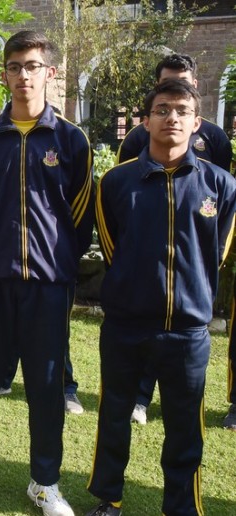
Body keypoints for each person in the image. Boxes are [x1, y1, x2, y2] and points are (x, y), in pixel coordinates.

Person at [0, 31, 93, 515]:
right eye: (14, 66)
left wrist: (58, 259)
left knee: (46, 385)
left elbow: (80, 212)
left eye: (32, 66)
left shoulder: (70, 139)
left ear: (50, 72)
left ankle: (45, 482)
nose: (23, 75)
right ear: (5, 74)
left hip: (49, 283)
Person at [87, 78, 236, 516]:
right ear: (146, 120)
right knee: (114, 416)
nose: (172, 117)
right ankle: (109, 498)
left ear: (197, 123)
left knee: (185, 427)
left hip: (188, 330)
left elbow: (217, 252)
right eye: (162, 109)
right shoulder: (116, 181)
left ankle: (182, 507)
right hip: (126, 325)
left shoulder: (221, 185)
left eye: (182, 111)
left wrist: (191, 296)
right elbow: (111, 247)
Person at [116, 53, 235, 428]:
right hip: (142, 274)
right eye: (166, 84)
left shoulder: (214, 138)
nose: (172, 115)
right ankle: (140, 397)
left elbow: (219, 212)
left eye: (183, 83)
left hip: (190, 274)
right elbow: (118, 214)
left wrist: (199, 267)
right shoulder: (137, 138)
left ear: (195, 87)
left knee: (184, 414)